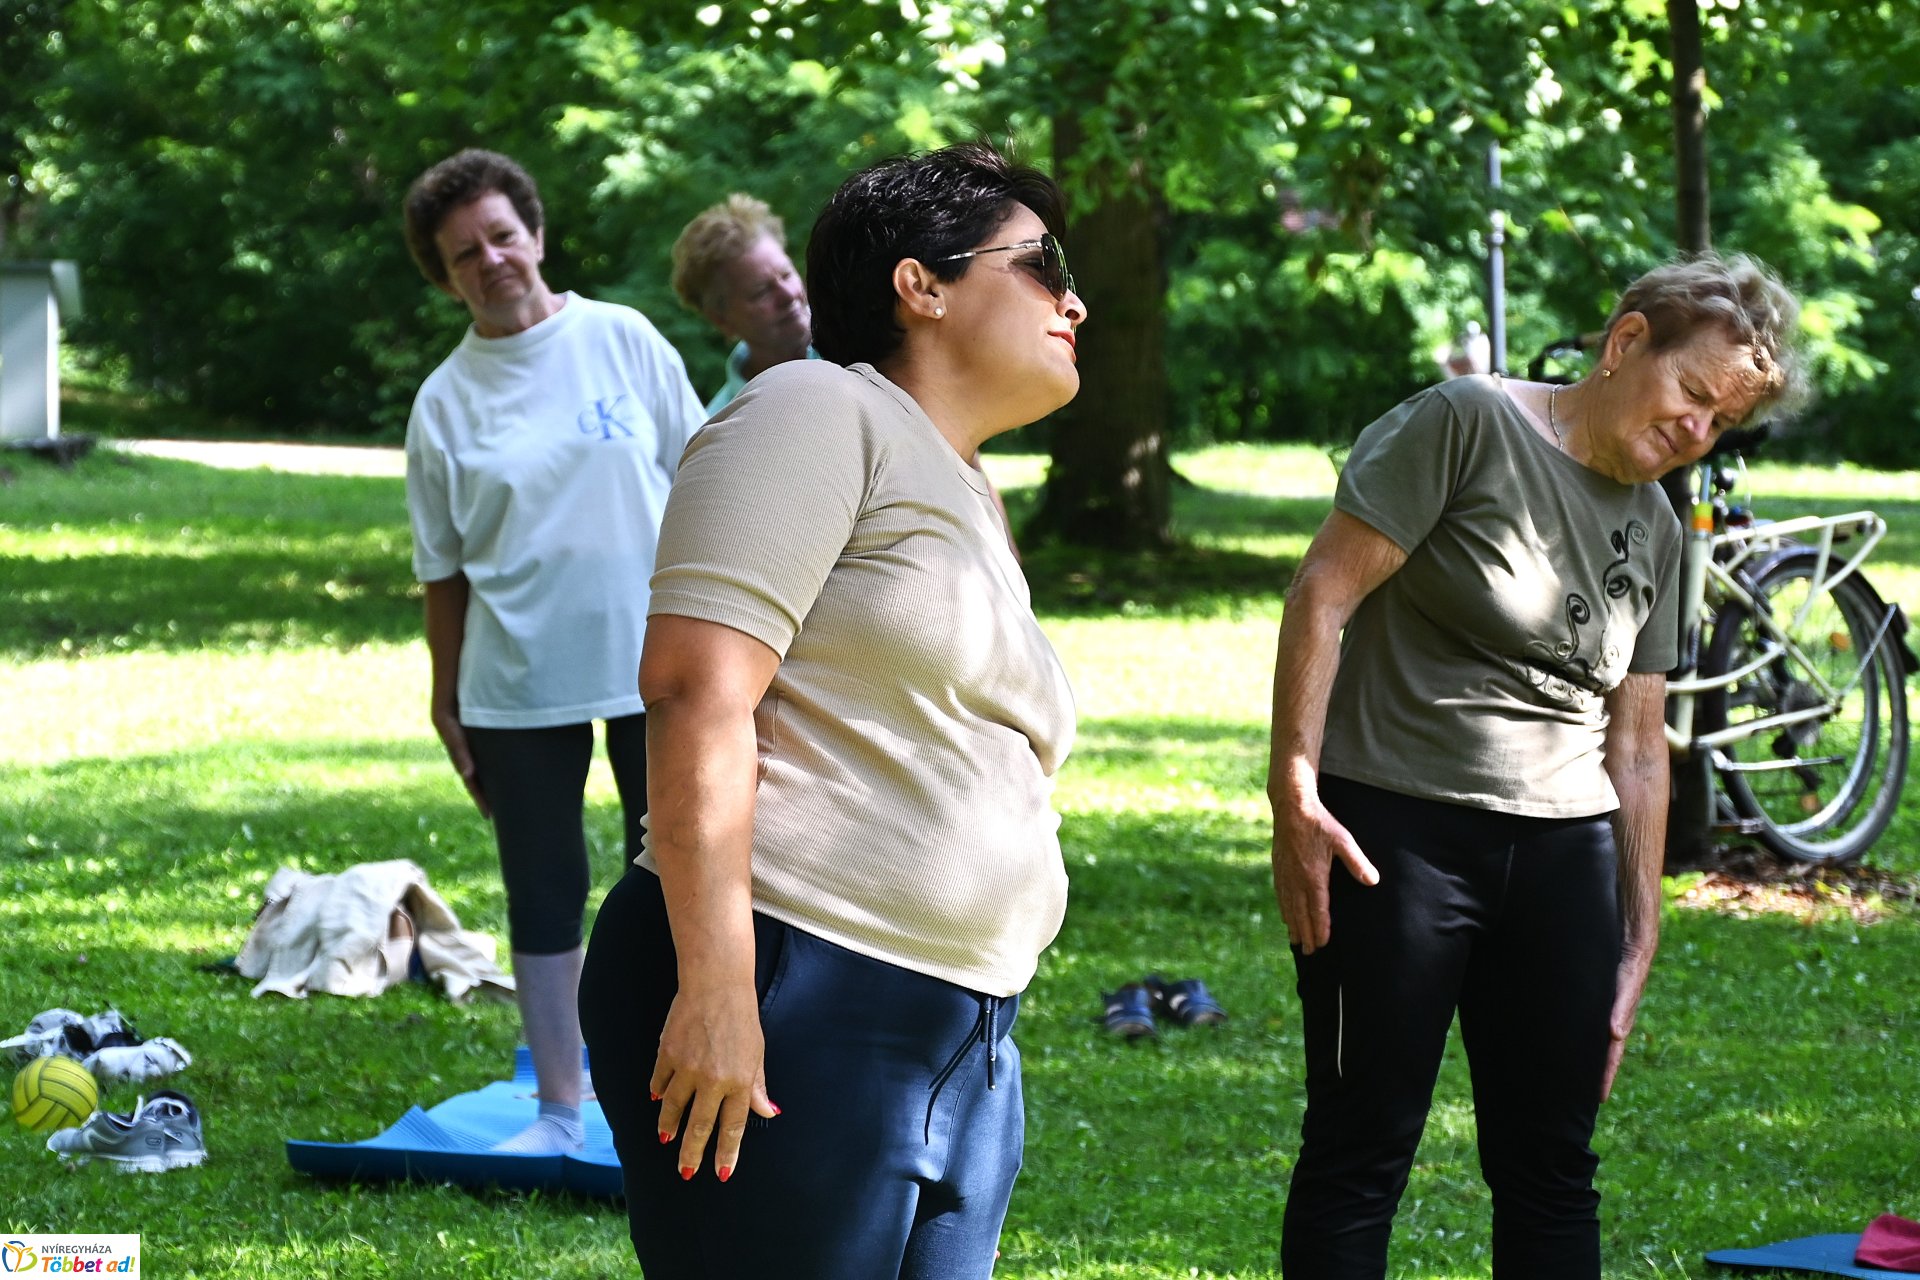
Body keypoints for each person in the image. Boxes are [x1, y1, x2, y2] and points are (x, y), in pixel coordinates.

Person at [578, 141, 1086, 1278]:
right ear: (924, 283)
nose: (1075, 297)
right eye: (1041, 263)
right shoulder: (812, 405)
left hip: (960, 1032)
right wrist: (715, 992)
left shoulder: (962, 485)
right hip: (792, 993)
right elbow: (696, 685)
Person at [1267, 253, 1803, 1278]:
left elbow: (1639, 746)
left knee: (1554, 1168)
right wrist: (1295, 790)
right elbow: (1322, 596)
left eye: (1720, 424)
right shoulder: (1465, 422)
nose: (1697, 433)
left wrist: (1640, 932)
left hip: (1561, 857)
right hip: (1394, 833)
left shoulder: (1655, 527)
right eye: (1692, 395)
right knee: (1361, 1150)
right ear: (1627, 342)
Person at [400, 148, 706, 1154]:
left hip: (654, 661)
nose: (490, 259)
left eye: (501, 234)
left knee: (661, 875)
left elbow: (703, 482)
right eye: (463, 254)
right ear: (444, 278)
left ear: (535, 231)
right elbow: (442, 572)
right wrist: (446, 701)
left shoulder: (622, 337)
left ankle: (660, 1098)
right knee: (544, 884)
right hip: (515, 679)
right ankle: (563, 1113)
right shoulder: (445, 401)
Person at [669, 194, 816, 416]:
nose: (788, 295)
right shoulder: (721, 429)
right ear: (721, 319)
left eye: (786, 274)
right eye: (761, 292)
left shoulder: (869, 346)